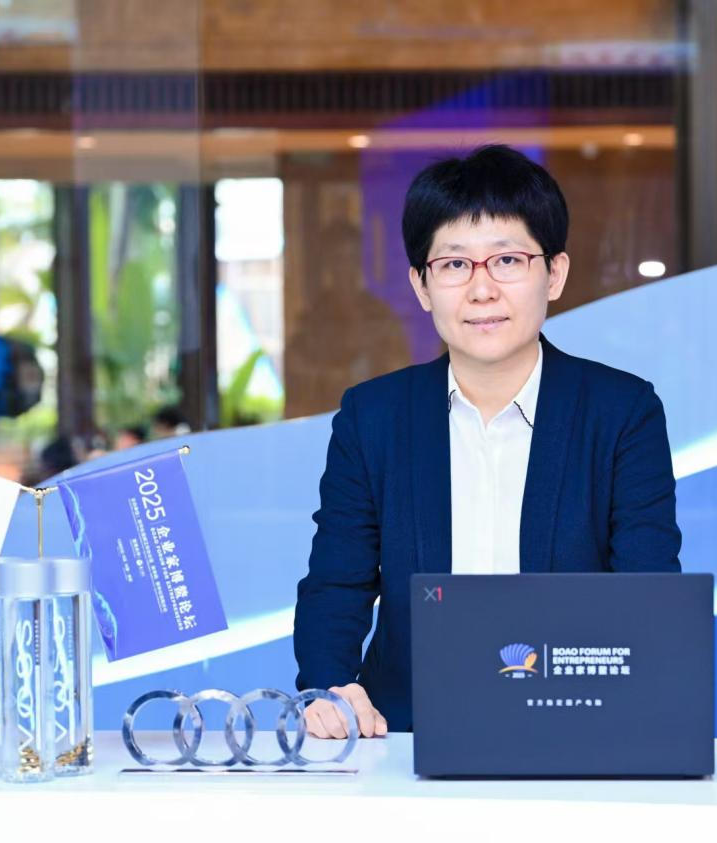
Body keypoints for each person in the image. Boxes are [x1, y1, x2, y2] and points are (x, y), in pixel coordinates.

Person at [292, 145, 682, 739]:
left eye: (507, 260)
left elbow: (647, 595)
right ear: (422, 285)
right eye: (454, 264)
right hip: (406, 736)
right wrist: (329, 689)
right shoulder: (372, 418)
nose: (481, 290)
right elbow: (336, 585)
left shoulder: (622, 413)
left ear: (555, 273)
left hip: (575, 729)